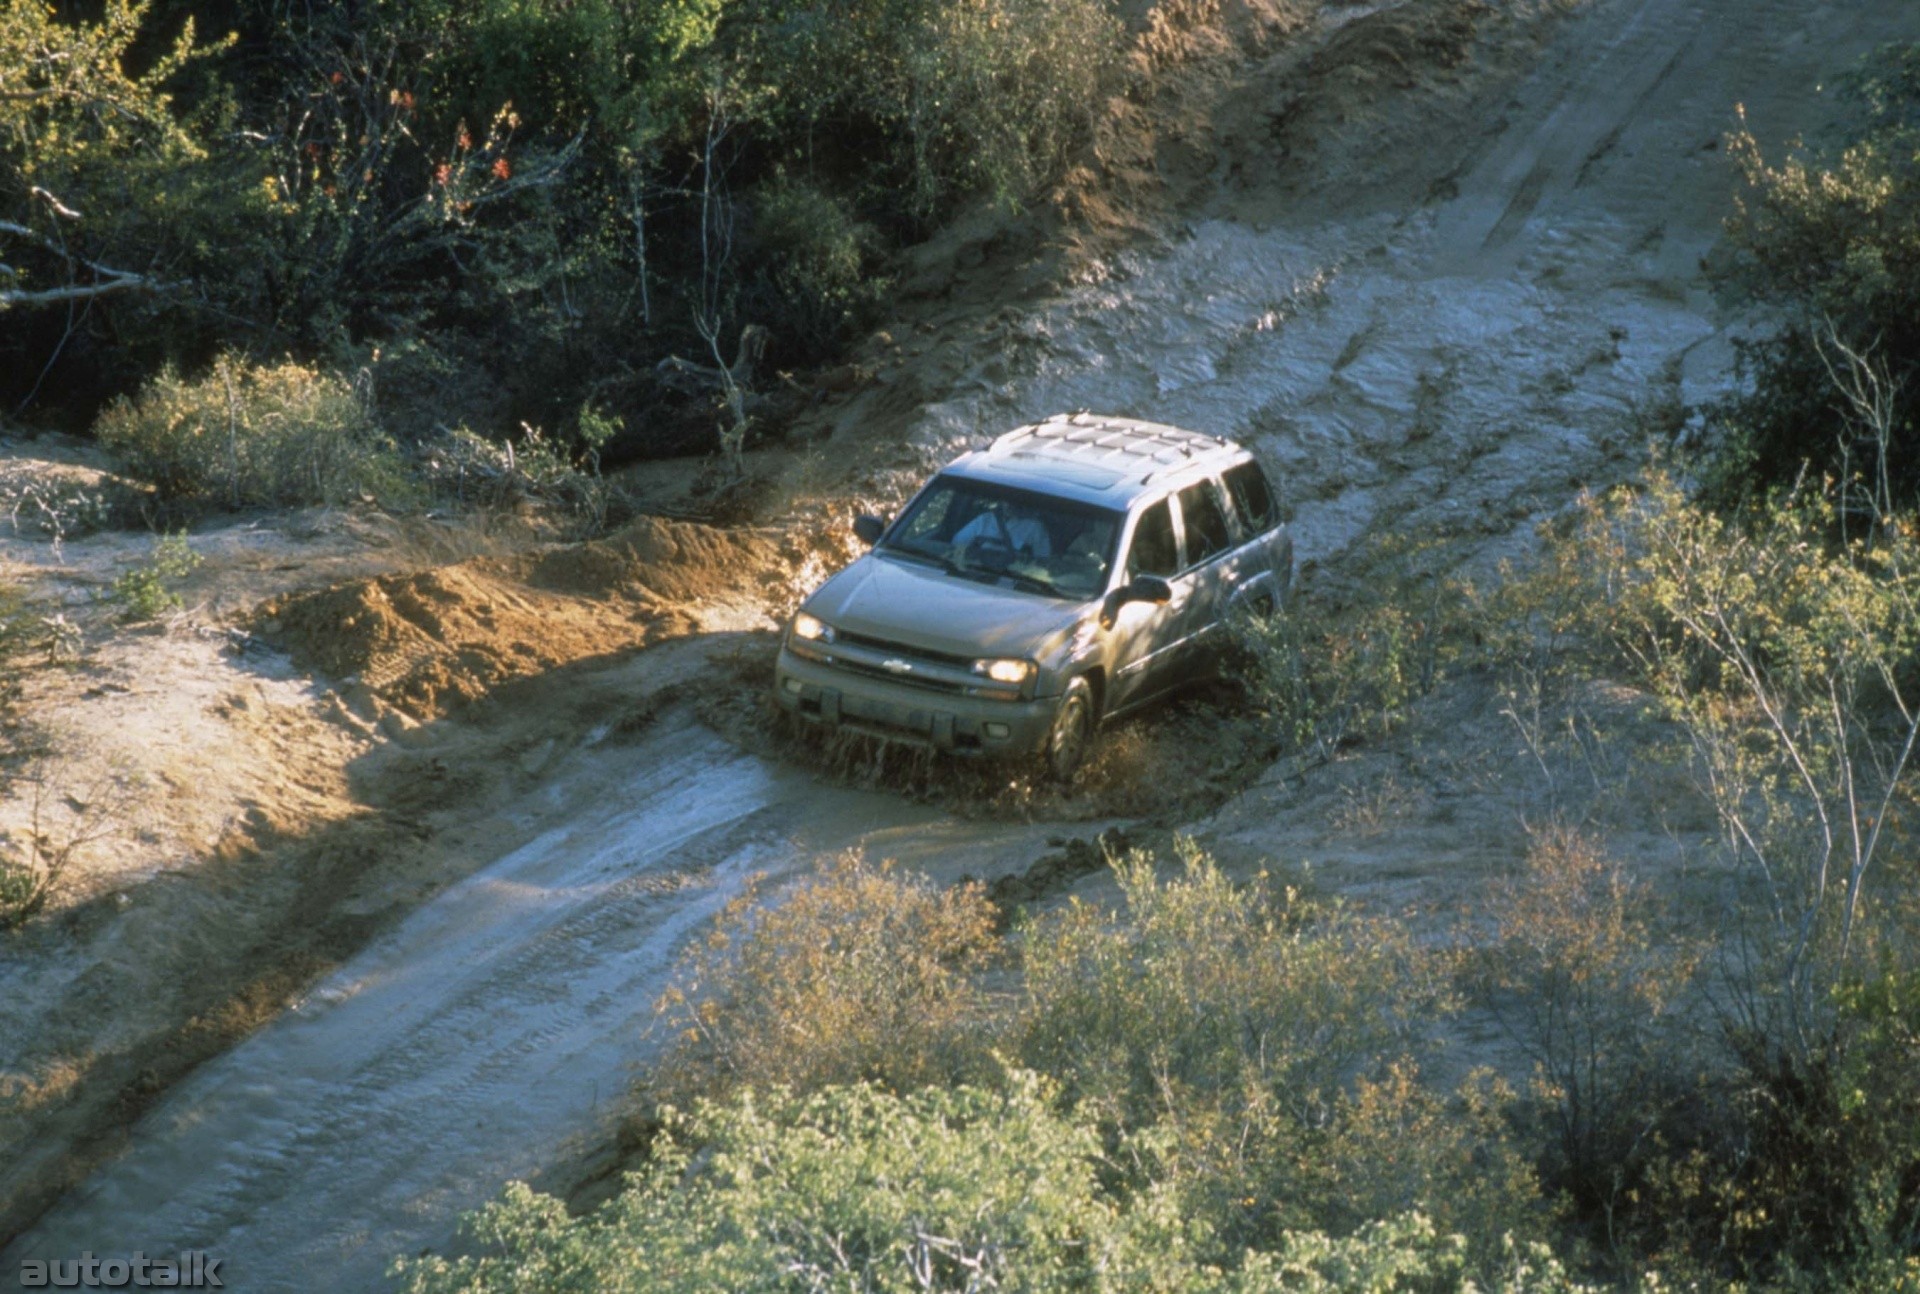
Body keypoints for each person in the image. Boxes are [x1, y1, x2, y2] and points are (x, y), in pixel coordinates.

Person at [952, 502, 1053, 557]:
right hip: (976, 571)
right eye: (1008, 501)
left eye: (1015, 501)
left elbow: (1042, 559)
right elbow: (957, 544)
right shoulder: (985, 519)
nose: (1010, 505)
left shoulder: (1034, 526)